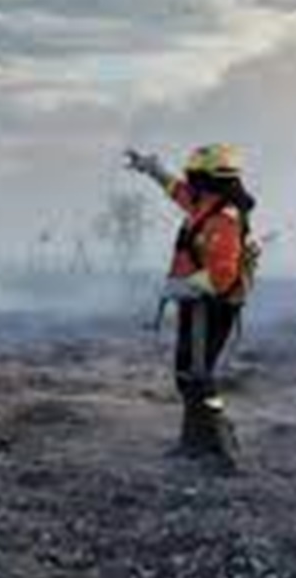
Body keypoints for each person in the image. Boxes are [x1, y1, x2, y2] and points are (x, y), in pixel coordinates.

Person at [127, 144, 259, 471]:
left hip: (212, 307)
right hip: (195, 303)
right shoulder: (206, 203)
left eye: (196, 176)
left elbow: (223, 276)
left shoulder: (225, 219)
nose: (191, 182)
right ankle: (193, 442)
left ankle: (221, 448)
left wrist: (181, 286)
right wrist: (153, 170)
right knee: (186, 374)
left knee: (199, 377)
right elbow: (178, 192)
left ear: (211, 178)